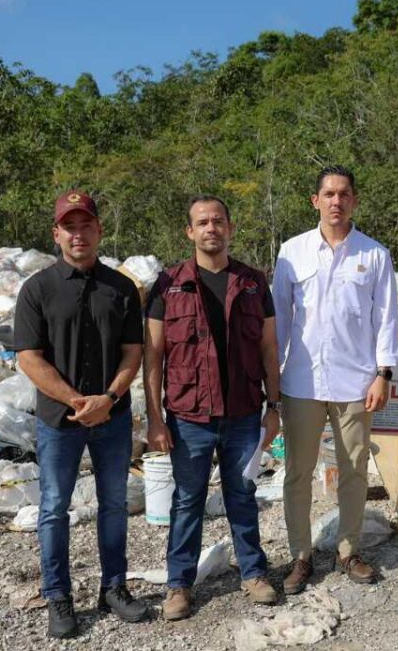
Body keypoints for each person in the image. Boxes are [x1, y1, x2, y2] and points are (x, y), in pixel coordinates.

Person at [14, 190, 149, 639]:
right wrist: (78, 401)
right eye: (69, 227)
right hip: (59, 422)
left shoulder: (122, 287)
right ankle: (58, 596)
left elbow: (134, 353)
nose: (78, 234)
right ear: (57, 234)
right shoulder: (37, 290)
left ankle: (113, 588)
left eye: (85, 225)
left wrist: (108, 398)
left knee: (114, 504)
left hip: (112, 417)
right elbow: (29, 358)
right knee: (54, 508)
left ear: (98, 231)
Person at [143, 195, 282, 619]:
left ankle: (254, 573)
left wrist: (273, 407)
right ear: (189, 232)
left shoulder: (254, 282)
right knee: (187, 500)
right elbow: (153, 357)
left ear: (230, 228)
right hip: (189, 417)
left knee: (242, 493)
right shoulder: (168, 285)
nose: (211, 228)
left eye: (218, 221)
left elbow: (268, 348)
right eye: (202, 222)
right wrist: (154, 418)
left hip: (242, 412)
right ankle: (179, 585)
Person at [272, 165, 398, 594]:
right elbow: (280, 320)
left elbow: (386, 320)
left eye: (344, 194)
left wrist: (383, 374)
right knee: (298, 473)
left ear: (354, 201)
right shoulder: (292, 252)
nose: (336, 201)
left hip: (355, 383)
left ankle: (348, 551)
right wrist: (273, 377)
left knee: (354, 471)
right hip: (301, 384)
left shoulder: (374, 255)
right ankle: (300, 555)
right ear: (315, 200)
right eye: (328, 194)